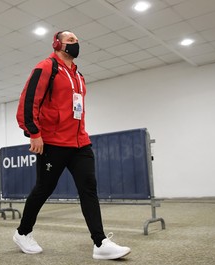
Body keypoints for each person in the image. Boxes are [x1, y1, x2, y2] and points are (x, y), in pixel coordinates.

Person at [14, 31, 131, 260]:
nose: (75, 44)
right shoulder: (46, 67)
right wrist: (33, 133)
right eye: (70, 41)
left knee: (89, 189)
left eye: (77, 41)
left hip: (80, 142)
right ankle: (22, 232)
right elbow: (29, 101)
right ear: (57, 44)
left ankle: (100, 242)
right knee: (43, 189)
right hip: (53, 142)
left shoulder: (78, 75)